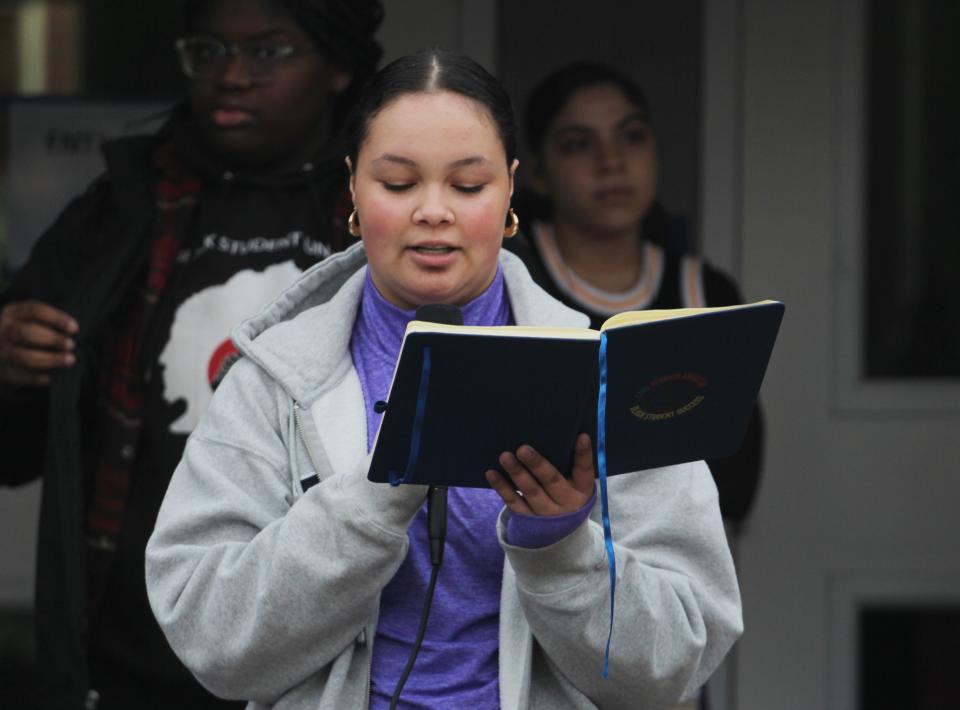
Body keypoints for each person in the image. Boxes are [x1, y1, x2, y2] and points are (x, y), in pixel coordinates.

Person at [145, 48, 742, 709]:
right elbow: (211, 641)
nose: (433, 211)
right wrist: (371, 503)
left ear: (512, 189)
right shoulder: (273, 380)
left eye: (467, 185)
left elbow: (679, 661)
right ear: (352, 189)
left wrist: (563, 547)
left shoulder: (599, 378)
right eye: (398, 184)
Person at [0, 1, 384, 707]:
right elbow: (15, 453)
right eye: (207, 51)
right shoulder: (120, 210)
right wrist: (11, 374)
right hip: (132, 662)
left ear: (337, 67)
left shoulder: (392, 211)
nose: (230, 76)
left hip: (342, 659)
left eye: (267, 52)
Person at [505, 61, 764, 526]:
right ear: (539, 173)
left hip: (667, 568)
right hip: (540, 557)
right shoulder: (511, 278)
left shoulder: (704, 293)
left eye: (631, 136)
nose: (612, 162)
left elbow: (738, 482)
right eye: (579, 145)